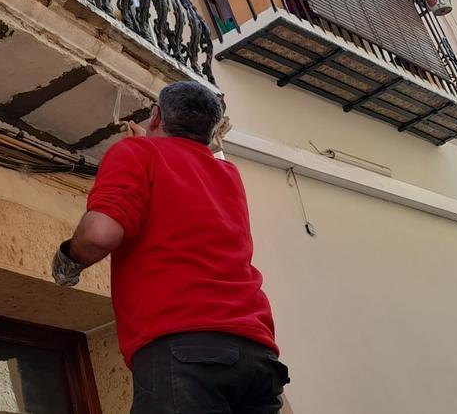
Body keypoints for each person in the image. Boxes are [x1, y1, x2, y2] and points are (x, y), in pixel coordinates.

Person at [53, 81, 288, 413]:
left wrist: (67, 260)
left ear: (156, 116)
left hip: (184, 350)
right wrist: (147, 147)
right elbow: (180, 174)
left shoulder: (137, 153)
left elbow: (98, 236)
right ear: (210, 132)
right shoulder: (227, 174)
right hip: (258, 358)